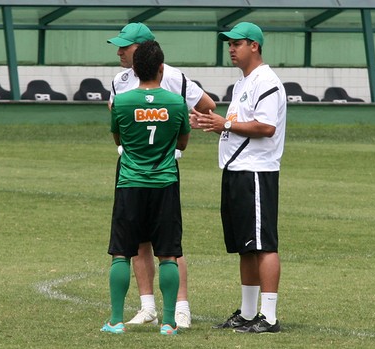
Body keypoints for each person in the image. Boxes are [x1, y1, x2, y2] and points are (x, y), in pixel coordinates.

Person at [107, 22, 216, 329]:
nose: (119, 51)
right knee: (140, 242)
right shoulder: (120, 81)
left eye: (124, 47)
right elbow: (115, 113)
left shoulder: (175, 78)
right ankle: (147, 307)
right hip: (131, 167)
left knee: (168, 245)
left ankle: (181, 307)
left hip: (164, 168)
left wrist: (181, 129)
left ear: (142, 50)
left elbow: (207, 106)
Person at [190, 22, 286, 334]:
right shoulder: (243, 83)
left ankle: (268, 316)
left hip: (256, 171)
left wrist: (225, 125)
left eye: (237, 43)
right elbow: (237, 122)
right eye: (229, 43)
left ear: (254, 46)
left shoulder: (266, 81)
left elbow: (266, 126)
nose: (231, 48)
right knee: (246, 246)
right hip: (236, 169)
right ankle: (247, 314)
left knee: (264, 244)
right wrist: (214, 123)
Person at [101, 40, 190, 336]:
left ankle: (115, 320)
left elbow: (118, 139)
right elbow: (182, 142)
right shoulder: (176, 103)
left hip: (130, 183)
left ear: (135, 69)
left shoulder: (122, 102)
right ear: (161, 69)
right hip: (164, 183)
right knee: (167, 253)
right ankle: (168, 322)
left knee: (121, 253)